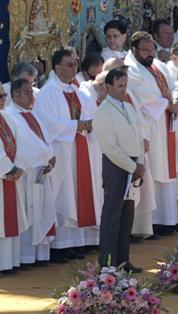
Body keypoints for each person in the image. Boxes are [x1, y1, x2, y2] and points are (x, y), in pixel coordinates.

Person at [34, 48, 102, 260]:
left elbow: (91, 114)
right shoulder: (47, 93)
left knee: (79, 192)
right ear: (57, 67)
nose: (75, 67)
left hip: (81, 148)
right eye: (70, 64)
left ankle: (79, 241)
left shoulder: (78, 90)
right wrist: (76, 125)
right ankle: (60, 245)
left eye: (75, 63)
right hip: (61, 152)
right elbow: (45, 123)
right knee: (64, 195)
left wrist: (89, 124)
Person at [123, 32, 178, 234]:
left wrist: (175, 99)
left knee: (166, 170)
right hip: (150, 128)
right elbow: (144, 98)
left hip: (166, 125)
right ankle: (151, 223)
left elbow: (174, 85)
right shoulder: (130, 70)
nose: (149, 54)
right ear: (134, 50)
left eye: (151, 49)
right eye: (145, 50)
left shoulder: (158, 66)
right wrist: (168, 104)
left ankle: (167, 219)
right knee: (153, 172)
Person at [92, 68, 144, 272]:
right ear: (108, 86)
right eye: (120, 85)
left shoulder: (127, 107)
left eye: (125, 85)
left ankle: (123, 260)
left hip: (132, 164)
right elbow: (110, 147)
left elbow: (137, 135)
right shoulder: (102, 112)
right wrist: (133, 166)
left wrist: (139, 160)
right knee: (112, 213)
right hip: (117, 166)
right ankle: (108, 261)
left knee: (127, 214)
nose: (124, 90)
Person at [6, 68, 56, 266]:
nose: (31, 96)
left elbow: (45, 138)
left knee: (40, 213)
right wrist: (44, 156)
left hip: (40, 170)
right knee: (27, 214)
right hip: (26, 172)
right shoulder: (11, 115)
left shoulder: (31, 113)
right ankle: (25, 257)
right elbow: (23, 144)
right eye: (27, 92)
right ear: (16, 94)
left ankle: (38, 255)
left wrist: (50, 156)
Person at [0, 82, 32, 273]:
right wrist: (9, 169)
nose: (4, 99)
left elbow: (20, 143)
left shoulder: (6, 117)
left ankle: (9, 262)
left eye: (4, 96)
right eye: (0, 96)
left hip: (11, 175)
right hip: (4, 175)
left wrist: (19, 167)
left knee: (9, 221)